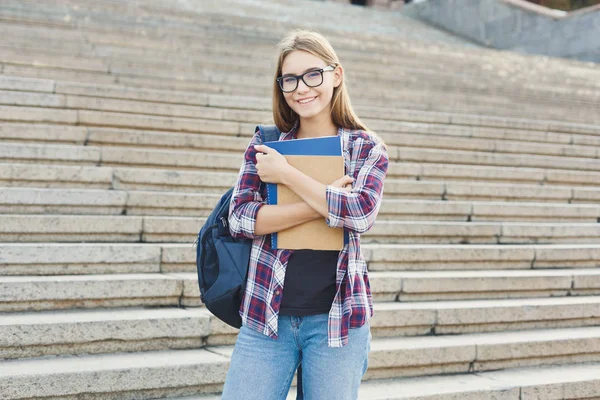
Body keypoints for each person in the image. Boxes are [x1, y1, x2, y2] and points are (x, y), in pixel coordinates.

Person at [221, 29, 389, 400]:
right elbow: (242, 218)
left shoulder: (365, 148)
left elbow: (359, 214)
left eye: (313, 74)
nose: (302, 88)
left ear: (336, 75)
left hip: (339, 323)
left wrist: (286, 176)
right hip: (267, 318)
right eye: (290, 79)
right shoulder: (266, 144)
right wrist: (322, 206)